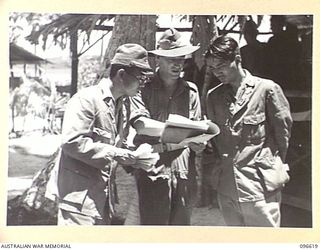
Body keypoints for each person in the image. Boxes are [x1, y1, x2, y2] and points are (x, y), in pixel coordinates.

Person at [55, 43, 155, 225]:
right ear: (121, 75)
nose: (143, 84)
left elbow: (117, 145)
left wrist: (137, 157)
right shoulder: (86, 99)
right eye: (140, 78)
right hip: (78, 201)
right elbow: (72, 142)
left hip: (102, 198)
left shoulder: (123, 105)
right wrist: (117, 153)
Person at [205, 35, 293, 227]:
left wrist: (273, 166)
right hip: (227, 188)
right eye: (212, 68)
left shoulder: (266, 89)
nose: (216, 72)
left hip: (259, 187)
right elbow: (215, 143)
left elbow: (283, 134)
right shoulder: (214, 96)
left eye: (220, 66)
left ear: (237, 59)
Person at [129, 28, 205, 225]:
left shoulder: (191, 91)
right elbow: (141, 124)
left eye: (181, 59)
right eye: (171, 59)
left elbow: (197, 131)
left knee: (180, 233)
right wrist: (185, 134)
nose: (177, 64)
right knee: (154, 231)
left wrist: (199, 142)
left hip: (183, 171)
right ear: (158, 60)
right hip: (153, 168)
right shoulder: (142, 88)